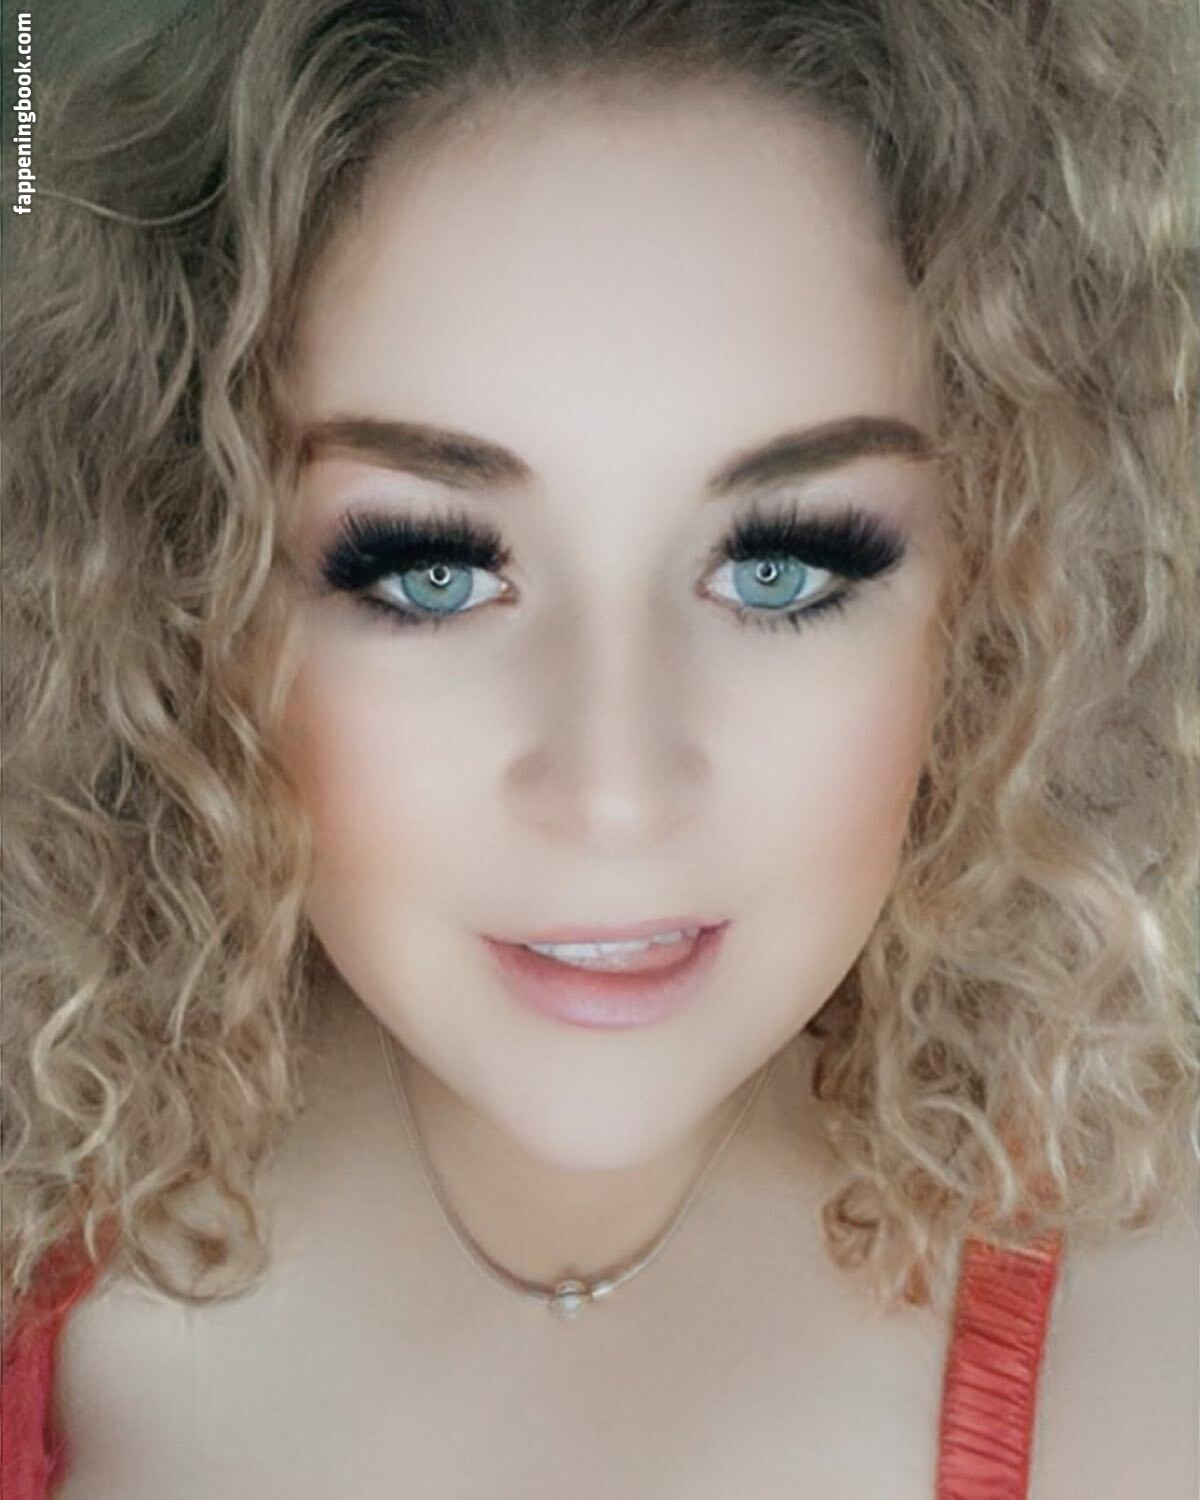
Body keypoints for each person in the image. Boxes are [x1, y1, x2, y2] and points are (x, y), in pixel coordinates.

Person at [3, 1, 1198, 1496]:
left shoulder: (1160, 1346)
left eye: (780, 568)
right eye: (431, 570)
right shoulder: (31, 1204)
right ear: (181, 580)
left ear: (1005, 595)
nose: (616, 794)